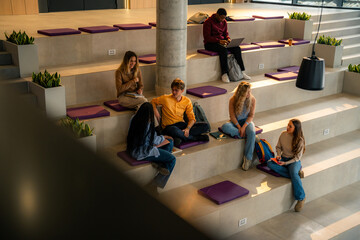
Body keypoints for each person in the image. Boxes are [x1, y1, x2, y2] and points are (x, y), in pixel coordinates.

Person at [127, 102, 176, 189]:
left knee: (168, 144)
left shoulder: (133, 118)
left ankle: (159, 163)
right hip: (143, 151)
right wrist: (164, 137)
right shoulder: (146, 123)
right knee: (172, 158)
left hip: (132, 148)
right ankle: (155, 185)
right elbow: (154, 140)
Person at [151, 78, 209, 147]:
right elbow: (152, 101)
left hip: (181, 125)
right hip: (169, 127)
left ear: (182, 91)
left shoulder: (187, 101)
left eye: (176, 90)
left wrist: (188, 128)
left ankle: (181, 137)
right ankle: (194, 138)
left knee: (206, 126)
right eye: (173, 90)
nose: (174, 92)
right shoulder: (165, 98)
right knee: (174, 130)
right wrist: (155, 111)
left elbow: (192, 119)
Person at [203, 8, 251, 83]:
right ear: (217, 15)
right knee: (223, 50)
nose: (222, 19)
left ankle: (242, 71)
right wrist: (219, 41)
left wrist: (228, 39)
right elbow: (207, 37)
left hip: (222, 42)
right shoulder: (208, 22)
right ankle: (224, 74)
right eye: (221, 18)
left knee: (237, 48)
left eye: (224, 18)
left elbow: (226, 34)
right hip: (210, 44)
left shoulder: (224, 22)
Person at [267, 119, 306, 212]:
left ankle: (301, 198)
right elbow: (278, 147)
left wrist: (285, 163)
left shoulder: (300, 140)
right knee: (269, 163)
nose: (287, 127)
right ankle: (296, 174)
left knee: (293, 171)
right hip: (283, 158)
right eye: (288, 125)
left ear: (296, 129)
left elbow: (297, 158)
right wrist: (279, 156)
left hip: (294, 161)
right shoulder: (283, 134)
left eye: (290, 126)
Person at [220, 81, 256, 171]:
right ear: (242, 93)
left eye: (250, 91)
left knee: (251, 131)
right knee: (225, 126)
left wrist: (243, 127)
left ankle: (248, 159)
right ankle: (250, 137)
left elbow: (251, 116)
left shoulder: (252, 99)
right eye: (247, 92)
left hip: (246, 122)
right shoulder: (232, 100)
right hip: (235, 122)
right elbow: (232, 116)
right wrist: (239, 127)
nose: (249, 94)